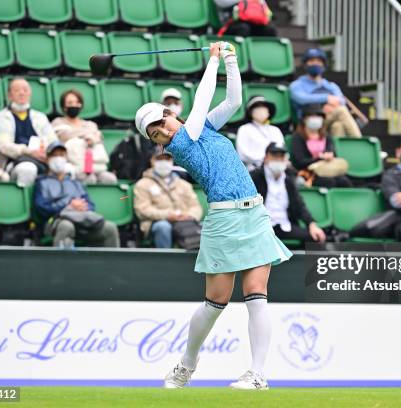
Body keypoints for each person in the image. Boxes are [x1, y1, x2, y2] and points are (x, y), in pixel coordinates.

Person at [135, 41, 291, 390]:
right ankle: (186, 365)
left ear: (170, 114)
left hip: (255, 214)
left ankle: (258, 374)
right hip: (223, 220)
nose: (163, 131)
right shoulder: (182, 142)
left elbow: (233, 101)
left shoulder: (202, 126)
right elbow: (203, 98)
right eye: (155, 133)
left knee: (257, 294)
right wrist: (213, 60)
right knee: (215, 302)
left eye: (162, 122)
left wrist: (231, 61)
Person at [33, 141, 120, 248]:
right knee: (67, 226)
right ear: (47, 159)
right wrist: (68, 206)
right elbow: (41, 208)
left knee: (110, 228)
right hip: (56, 221)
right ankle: (59, 262)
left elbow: (91, 205)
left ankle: (111, 264)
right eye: (54, 155)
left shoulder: (76, 182)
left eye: (61, 155)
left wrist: (81, 207)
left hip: (80, 220)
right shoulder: (41, 182)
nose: (58, 158)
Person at [250, 142, 326, 243]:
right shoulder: (254, 177)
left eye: (281, 156)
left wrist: (311, 224)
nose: (278, 159)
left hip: (285, 225)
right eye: (274, 155)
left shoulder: (289, 179)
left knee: (315, 238)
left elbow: (299, 205)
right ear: (266, 157)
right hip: (261, 226)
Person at [0, 77, 57, 187]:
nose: (21, 93)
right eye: (17, 90)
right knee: (27, 169)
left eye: (25, 90)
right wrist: (29, 151)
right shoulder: (0, 118)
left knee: (67, 169)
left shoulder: (40, 117)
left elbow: (52, 140)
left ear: (30, 94)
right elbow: (4, 146)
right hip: (14, 163)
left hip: (43, 160)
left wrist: (49, 154)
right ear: (9, 95)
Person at [133, 151, 203, 248]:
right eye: (159, 159)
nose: (164, 162)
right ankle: (165, 261)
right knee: (163, 227)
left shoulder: (184, 184)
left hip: (183, 221)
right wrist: (168, 215)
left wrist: (189, 215)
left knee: (206, 227)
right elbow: (142, 210)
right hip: (156, 222)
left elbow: (196, 206)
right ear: (151, 161)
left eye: (167, 159)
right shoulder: (143, 184)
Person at [290, 48, 362, 138]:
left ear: (323, 65)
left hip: (329, 119)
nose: (315, 63)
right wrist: (327, 99)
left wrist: (331, 106)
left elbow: (341, 101)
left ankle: (338, 151)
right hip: (307, 122)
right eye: (311, 61)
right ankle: (360, 143)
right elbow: (301, 99)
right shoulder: (297, 84)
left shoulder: (331, 86)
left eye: (319, 61)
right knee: (341, 110)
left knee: (338, 126)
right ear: (305, 64)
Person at [52, 89, 117, 184]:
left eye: (77, 102)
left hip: (94, 164)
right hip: (71, 164)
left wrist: (92, 137)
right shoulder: (58, 122)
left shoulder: (90, 124)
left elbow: (99, 137)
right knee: (90, 179)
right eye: (70, 103)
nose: (74, 105)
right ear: (64, 106)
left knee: (110, 179)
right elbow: (65, 135)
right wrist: (89, 135)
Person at [290, 104, 353, 188]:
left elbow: (332, 153)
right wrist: (320, 158)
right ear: (304, 119)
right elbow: (300, 161)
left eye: (318, 116)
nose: (316, 119)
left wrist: (329, 156)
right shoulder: (297, 138)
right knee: (329, 182)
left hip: (328, 170)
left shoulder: (327, 137)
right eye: (312, 116)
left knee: (344, 181)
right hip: (308, 173)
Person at [236, 96, 284, 171]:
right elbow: (243, 155)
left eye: (264, 107)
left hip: (277, 169)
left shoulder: (275, 130)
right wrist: (265, 160)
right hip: (253, 170)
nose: (261, 110)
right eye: (257, 107)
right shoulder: (244, 129)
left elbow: (282, 149)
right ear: (250, 112)